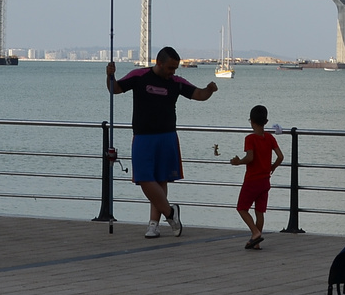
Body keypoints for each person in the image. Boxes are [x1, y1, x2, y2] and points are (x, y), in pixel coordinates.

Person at [106, 46, 216, 238]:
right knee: (144, 178)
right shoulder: (139, 76)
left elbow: (198, 94)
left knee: (161, 178)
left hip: (167, 136)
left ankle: (153, 225)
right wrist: (110, 76)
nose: (172, 72)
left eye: (175, 68)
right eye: (170, 68)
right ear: (159, 63)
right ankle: (171, 213)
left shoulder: (176, 82)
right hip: (142, 136)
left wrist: (209, 90)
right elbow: (115, 89)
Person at [229, 104, 283, 249]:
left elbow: (250, 158)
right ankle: (256, 244)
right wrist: (271, 168)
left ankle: (255, 233)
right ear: (266, 122)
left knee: (241, 208)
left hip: (252, 180)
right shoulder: (270, 138)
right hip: (265, 181)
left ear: (251, 121)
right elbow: (280, 157)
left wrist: (238, 161)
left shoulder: (250, 138)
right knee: (260, 212)